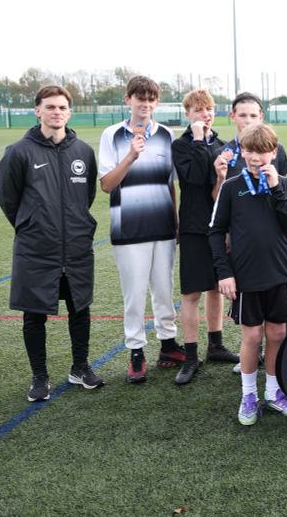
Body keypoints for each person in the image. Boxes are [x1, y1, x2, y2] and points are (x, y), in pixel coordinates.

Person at [0, 85, 105, 401]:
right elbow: (9, 200)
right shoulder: (18, 152)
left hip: (75, 246)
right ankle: (39, 377)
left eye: (62, 107)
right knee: (33, 314)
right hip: (36, 249)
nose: (56, 112)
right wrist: (32, 226)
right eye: (50, 107)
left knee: (80, 307)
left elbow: (86, 197)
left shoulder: (83, 152)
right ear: (38, 111)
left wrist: (75, 226)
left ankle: (80, 367)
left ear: (69, 112)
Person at [209, 123, 287, 425]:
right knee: (251, 337)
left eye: (263, 151)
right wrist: (224, 273)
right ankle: (248, 395)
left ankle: (273, 392)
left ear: (273, 153)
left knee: (277, 333)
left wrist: (276, 188)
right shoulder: (232, 187)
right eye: (249, 150)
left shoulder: (284, 184)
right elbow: (215, 232)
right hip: (246, 276)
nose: (256, 157)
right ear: (242, 152)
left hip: (278, 273)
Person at [98, 76, 182, 383]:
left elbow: (169, 183)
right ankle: (136, 350)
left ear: (156, 103)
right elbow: (107, 185)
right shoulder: (112, 135)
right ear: (128, 99)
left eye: (150, 99)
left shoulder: (166, 135)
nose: (144, 104)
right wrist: (131, 156)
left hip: (162, 226)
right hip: (129, 227)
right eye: (139, 98)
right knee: (133, 294)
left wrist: (174, 222)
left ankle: (169, 345)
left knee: (164, 290)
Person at [170, 89, 241, 385]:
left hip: (218, 226)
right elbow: (196, 178)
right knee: (191, 293)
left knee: (216, 288)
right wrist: (199, 140)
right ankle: (189, 355)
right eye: (199, 110)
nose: (206, 114)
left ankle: (216, 344)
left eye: (209, 109)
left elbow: (223, 188)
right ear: (188, 114)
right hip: (192, 226)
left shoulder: (223, 146)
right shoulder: (181, 145)